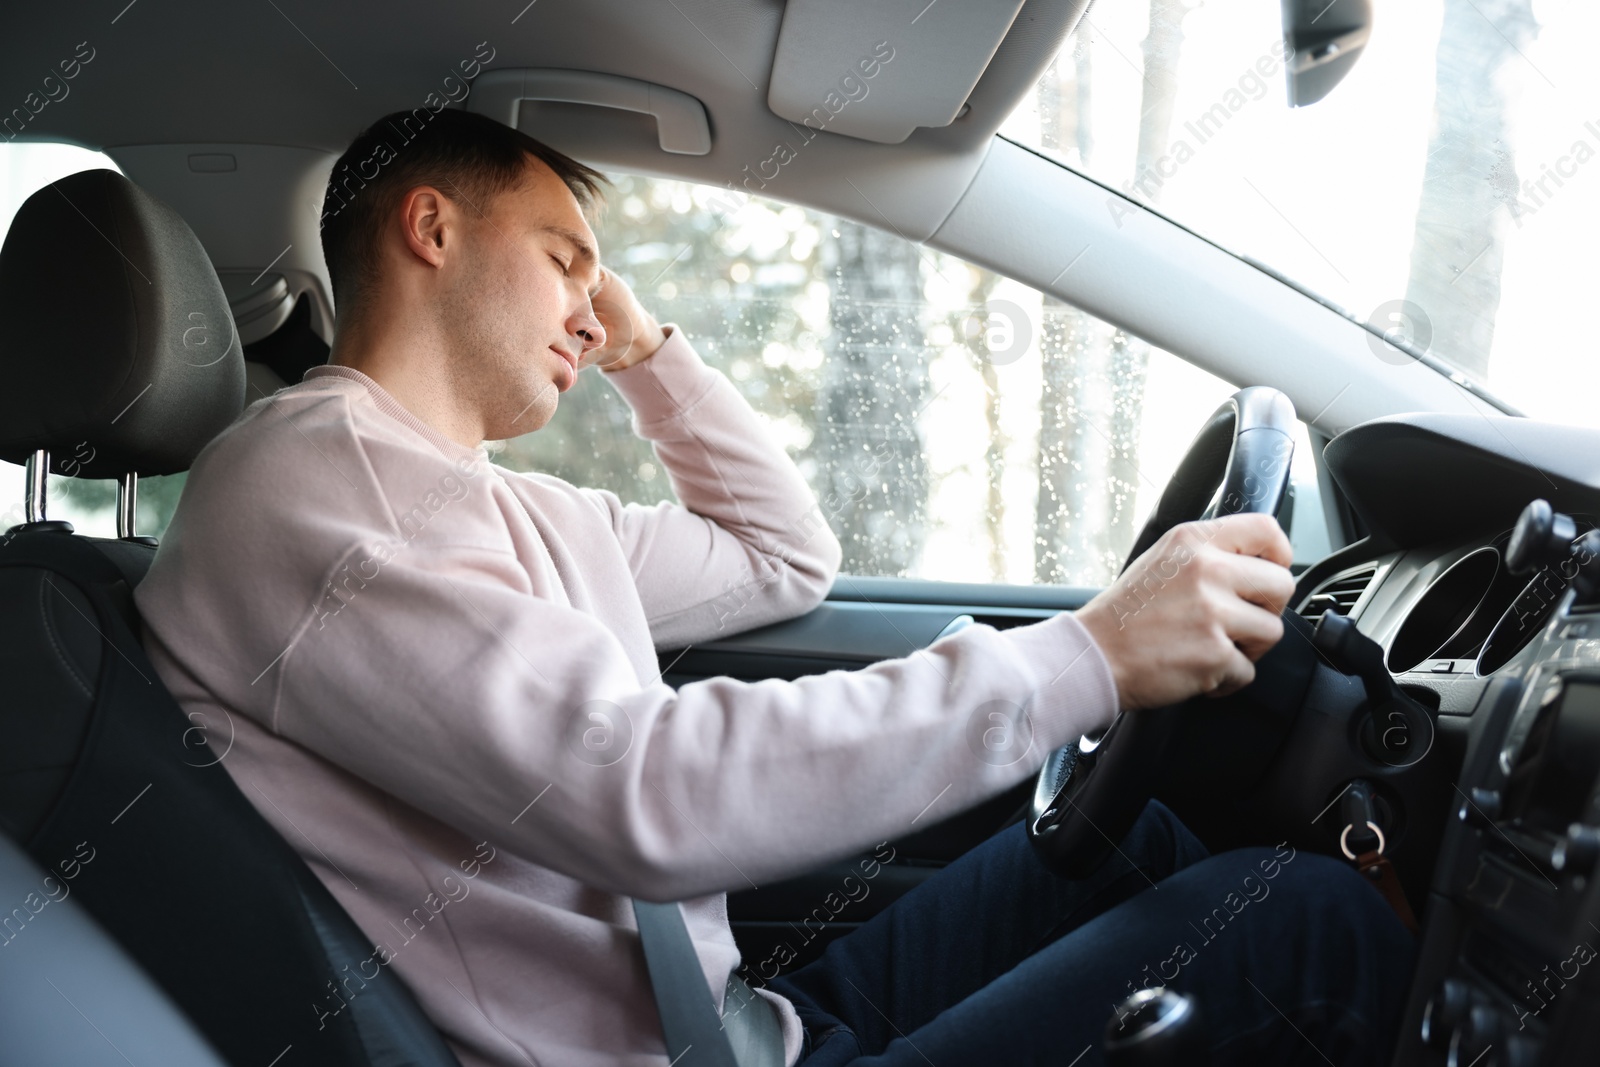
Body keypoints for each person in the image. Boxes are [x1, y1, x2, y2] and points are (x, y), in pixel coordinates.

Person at [134, 108, 1413, 1067]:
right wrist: (1088, 653)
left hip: (747, 1027)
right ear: (430, 226)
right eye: (567, 260)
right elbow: (637, 788)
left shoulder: (497, 504)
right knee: (1304, 923)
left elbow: (779, 554)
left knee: (1138, 840)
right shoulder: (315, 475)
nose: (590, 307)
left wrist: (642, 352)